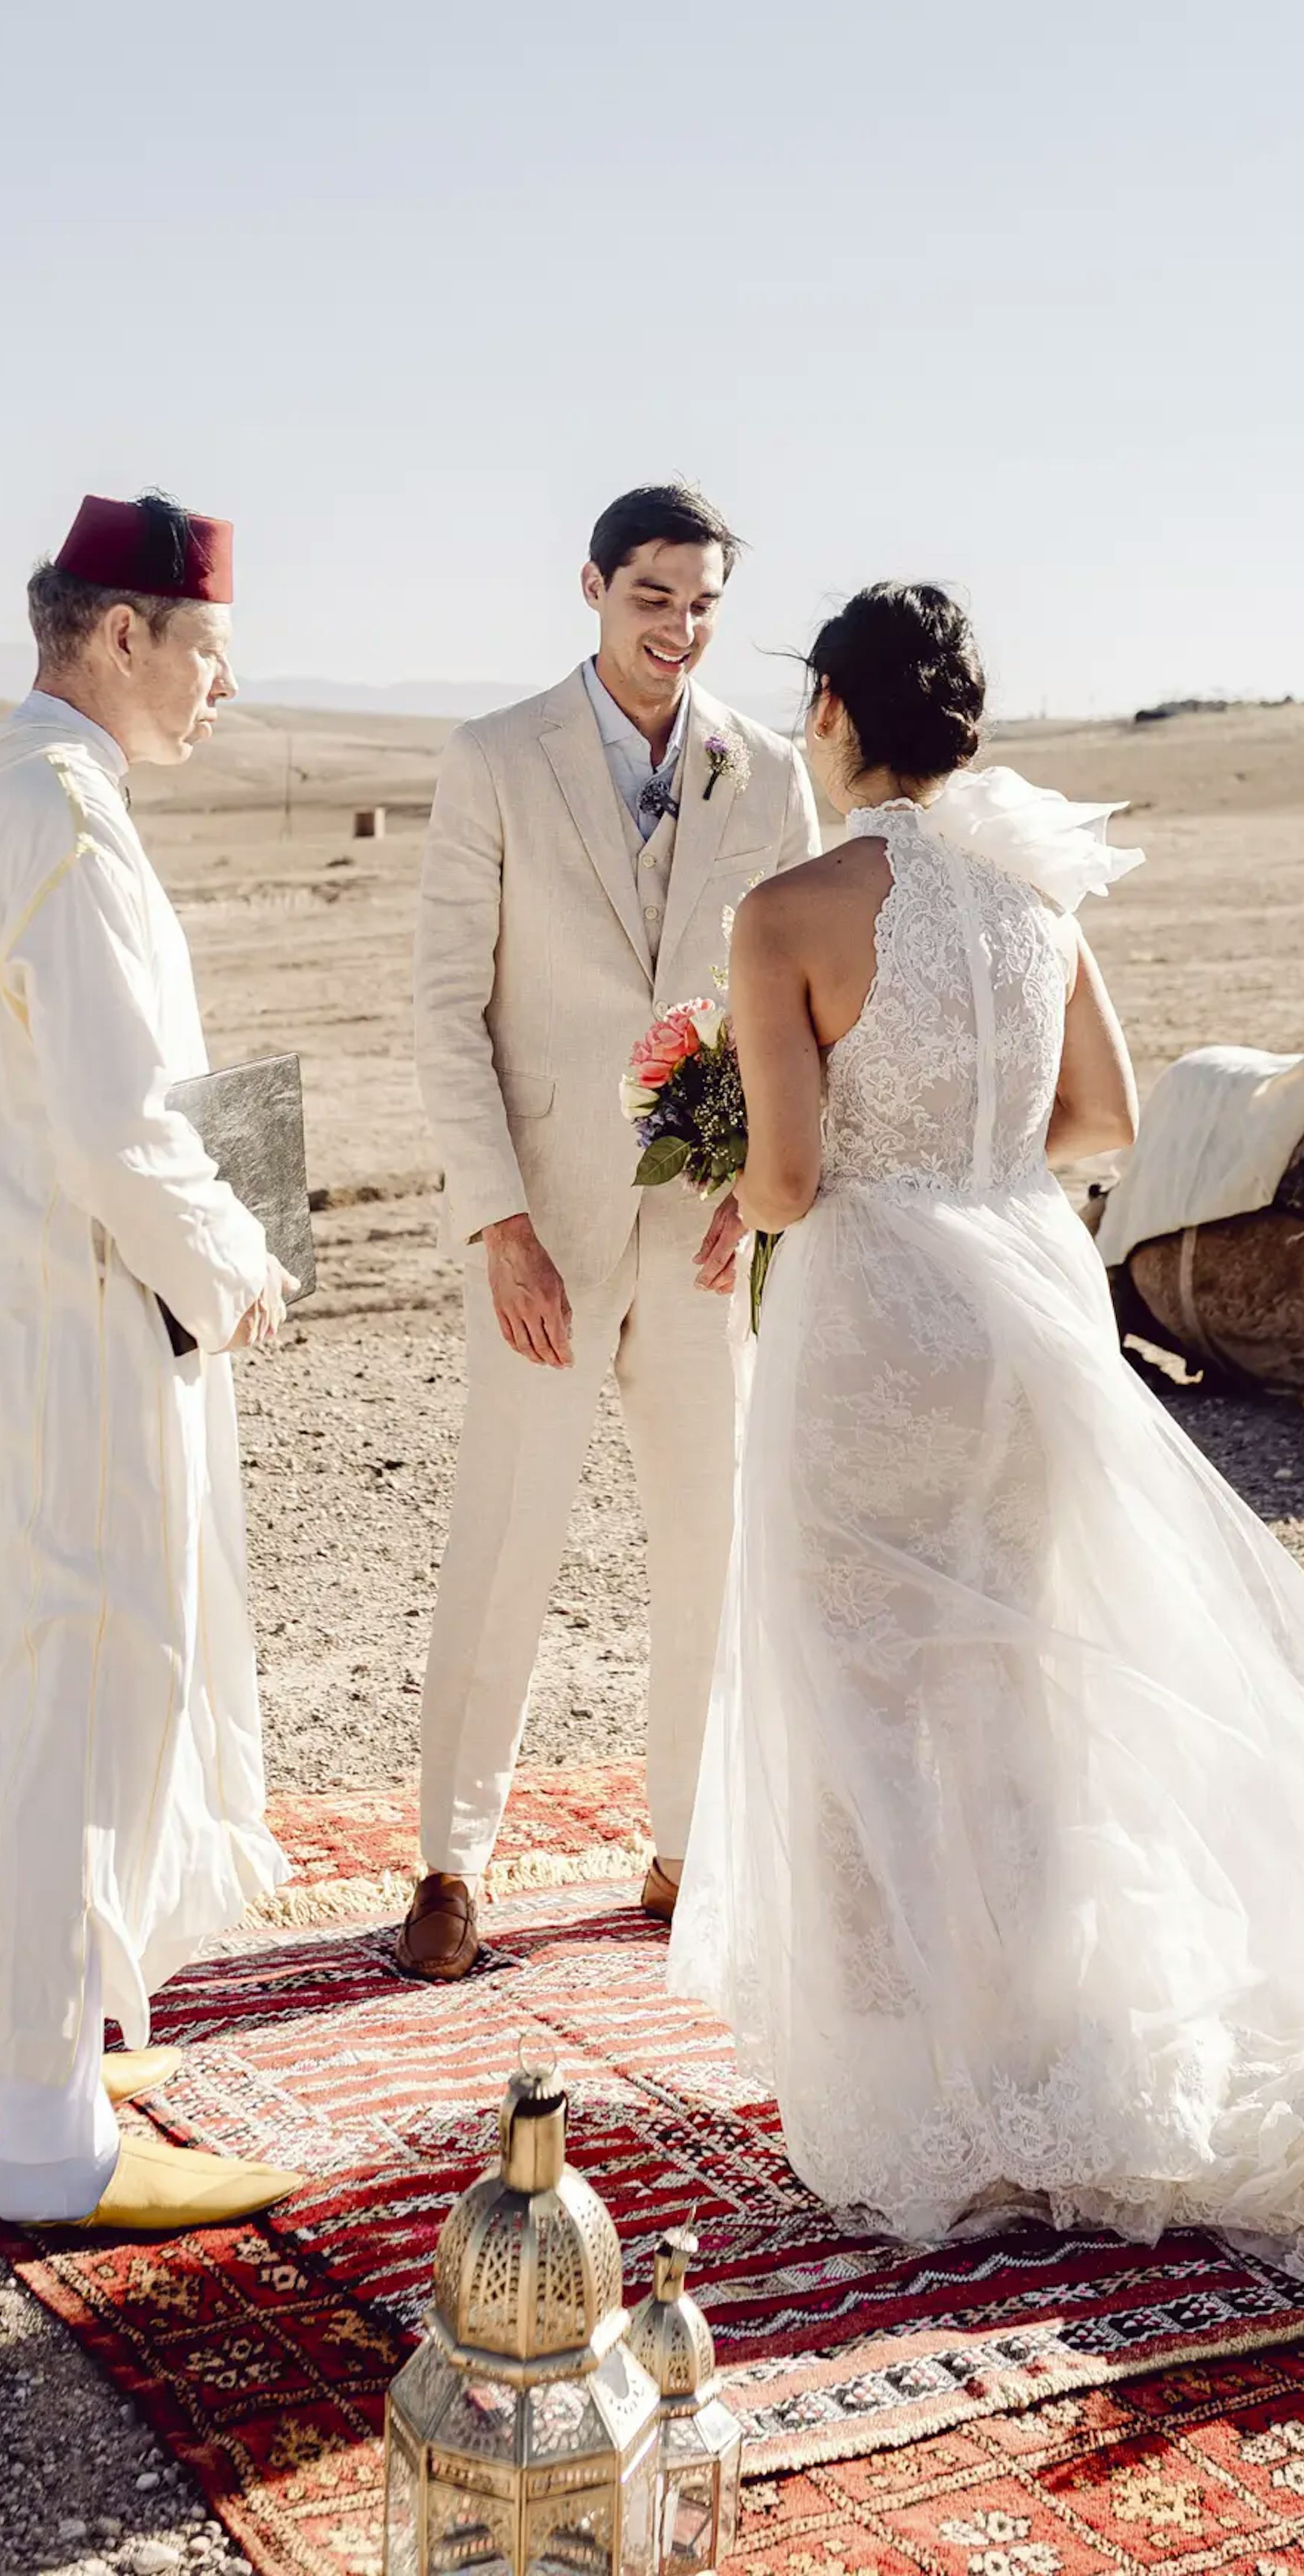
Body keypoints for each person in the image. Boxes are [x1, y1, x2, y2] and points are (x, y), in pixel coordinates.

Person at [670, 580, 1304, 2409]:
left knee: (863, 1681)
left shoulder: (784, 910)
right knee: (1018, 1678)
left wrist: (755, 1149)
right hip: (1026, 1304)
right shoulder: (1030, 898)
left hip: (877, 1321)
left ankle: (912, 2098)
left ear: (825, 711)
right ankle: (1050, 2041)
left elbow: (799, 1178)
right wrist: (967, 1162)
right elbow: (1100, 1121)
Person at [0, 492, 303, 2230]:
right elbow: (122, 1121)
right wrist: (243, 1267)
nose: (225, 684)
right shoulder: (64, 812)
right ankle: (58, 2133)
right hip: (79, 1323)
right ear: (122, 633)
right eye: (208, 647)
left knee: (17, 1659)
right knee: (90, 1683)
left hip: (7, 1316)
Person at [401, 482, 818, 1980]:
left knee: (712, 1536)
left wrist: (762, 1190)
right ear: (590, 588)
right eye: (652, 599)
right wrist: (497, 1224)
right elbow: (448, 1009)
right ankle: (452, 1858)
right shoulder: (492, 760)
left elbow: (802, 1000)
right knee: (507, 1532)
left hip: (704, 1235)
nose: (678, 631)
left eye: (702, 605)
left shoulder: (763, 774)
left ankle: (685, 1844)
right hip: (545, 1233)